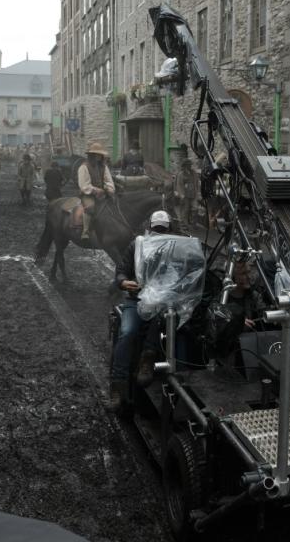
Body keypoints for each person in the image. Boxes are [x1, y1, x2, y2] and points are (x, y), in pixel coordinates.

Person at [108, 210, 173, 414]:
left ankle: (147, 358)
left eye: (162, 230)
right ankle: (117, 385)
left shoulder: (173, 249)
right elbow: (121, 270)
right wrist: (123, 282)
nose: (159, 233)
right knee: (127, 332)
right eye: (156, 229)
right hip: (135, 300)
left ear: (168, 230)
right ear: (149, 228)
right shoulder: (136, 245)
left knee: (161, 318)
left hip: (160, 302)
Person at [77, 141, 116, 240]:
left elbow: (108, 180)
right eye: (96, 154)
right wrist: (96, 190)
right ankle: (85, 231)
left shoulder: (104, 167)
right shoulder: (84, 167)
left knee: (114, 205)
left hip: (103, 193)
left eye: (100, 155)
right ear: (91, 155)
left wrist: (109, 189)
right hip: (88, 194)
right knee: (90, 207)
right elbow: (84, 185)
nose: (98, 156)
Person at [173, 158, 199, 229]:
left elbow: (196, 183)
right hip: (185, 195)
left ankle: (193, 223)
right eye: (188, 165)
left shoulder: (194, 173)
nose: (190, 166)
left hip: (193, 194)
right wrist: (182, 195)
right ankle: (184, 225)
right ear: (185, 166)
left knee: (195, 208)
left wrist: (197, 193)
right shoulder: (181, 174)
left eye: (190, 165)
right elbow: (179, 185)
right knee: (185, 210)